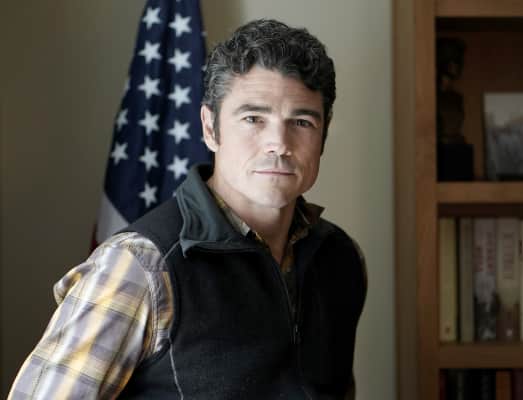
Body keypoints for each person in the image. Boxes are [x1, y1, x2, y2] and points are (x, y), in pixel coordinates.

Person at [9, 19, 367, 399]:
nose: (278, 143)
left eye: (301, 121)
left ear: (323, 134)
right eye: (253, 118)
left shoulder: (341, 257)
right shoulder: (141, 267)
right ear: (210, 128)